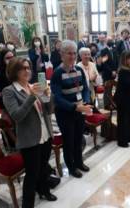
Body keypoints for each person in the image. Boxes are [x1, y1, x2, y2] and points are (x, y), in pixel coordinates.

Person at [2, 57, 57, 208]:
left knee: (44, 167)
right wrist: (32, 96)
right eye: (22, 68)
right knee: (31, 175)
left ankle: (44, 191)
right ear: (14, 71)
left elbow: (49, 111)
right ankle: (28, 205)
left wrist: (48, 95)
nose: (27, 71)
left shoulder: (32, 86)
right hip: (29, 139)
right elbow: (17, 116)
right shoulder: (9, 91)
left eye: (28, 68)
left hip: (45, 134)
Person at [50, 40, 92, 178]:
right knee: (69, 141)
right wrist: (75, 107)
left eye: (74, 53)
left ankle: (79, 162)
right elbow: (57, 98)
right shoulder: (57, 73)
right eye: (69, 53)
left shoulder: (79, 70)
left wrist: (85, 101)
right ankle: (71, 166)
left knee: (79, 138)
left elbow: (85, 88)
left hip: (79, 110)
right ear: (62, 55)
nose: (73, 56)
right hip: (65, 113)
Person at [114, 51, 130, 148]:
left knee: (128, 118)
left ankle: (127, 137)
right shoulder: (123, 71)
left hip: (127, 97)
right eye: (129, 58)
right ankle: (122, 141)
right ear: (125, 60)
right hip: (123, 99)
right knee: (123, 119)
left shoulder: (128, 69)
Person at [96, 38, 117, 109]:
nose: (111, 41)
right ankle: (106, 105)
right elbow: (104, 63)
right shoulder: (103, 51)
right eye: (109, 40)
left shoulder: (114, 50)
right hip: (107, 73)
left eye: (111, 40)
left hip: (114, 73)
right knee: (107, 90)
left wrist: (115, 70)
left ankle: (112, 103)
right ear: (106, 41)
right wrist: (111, 71)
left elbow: (115, 61)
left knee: (111, 89)